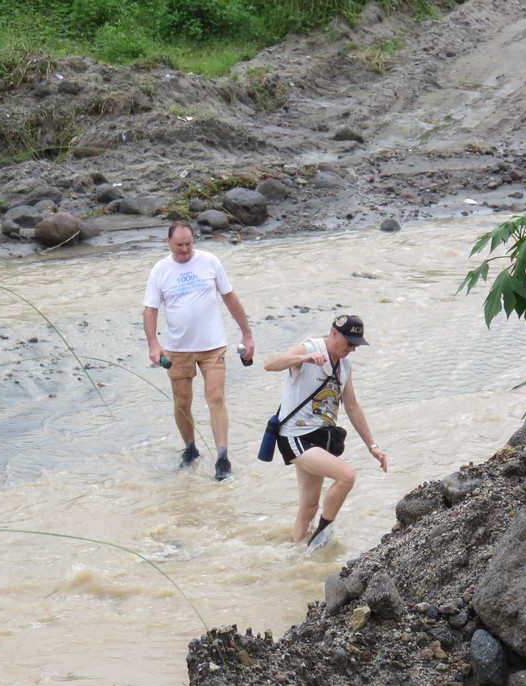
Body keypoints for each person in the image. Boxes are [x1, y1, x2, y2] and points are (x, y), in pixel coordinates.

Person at [262, 314, 387, 547]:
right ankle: (321, 537)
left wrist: (373, 446)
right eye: (349, 342)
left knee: (309, 507)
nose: (352, 349)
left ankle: (295, 553)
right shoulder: (311, 348)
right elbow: (270, 364)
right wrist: (304, 358)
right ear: (334, 333)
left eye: (356, 345)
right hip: (296, 436)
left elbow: (352, 406)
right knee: (346, 476)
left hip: (320, 439)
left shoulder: (345, 365)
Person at [143, 221, 255, 480]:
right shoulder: (160, 270)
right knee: (182, 402)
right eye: (179, 245)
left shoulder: (210, 261)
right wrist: (153, 345)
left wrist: (247, 334)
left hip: (212, 345)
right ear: (169, 243)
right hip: (177, 349)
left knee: (215, 397)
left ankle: (222, 459)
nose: (185, 249)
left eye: (188, 244)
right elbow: (150, 310)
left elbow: (229, 297)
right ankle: (191, 449)